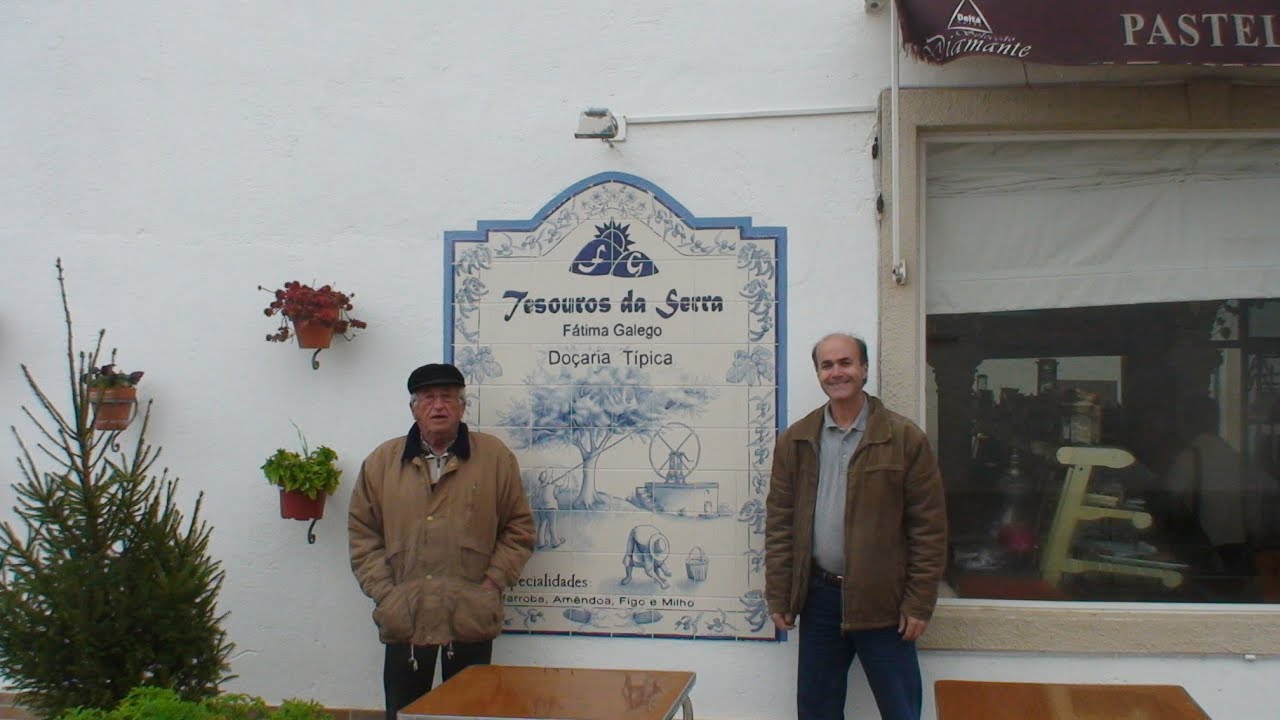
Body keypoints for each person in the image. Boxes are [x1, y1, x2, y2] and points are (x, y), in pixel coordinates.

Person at [765, 333, 947, 720]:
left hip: (885, 602)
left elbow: (928, 530)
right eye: (827, 365)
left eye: (845, 363)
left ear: (864, 369)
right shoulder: (796, 441)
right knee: (817, 711)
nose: (837, 373)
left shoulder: (903, 438)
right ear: (818, 373)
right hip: (820, 599)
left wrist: (918, 602)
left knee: (900, 710)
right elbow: (780, 524)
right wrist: (780, 594)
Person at [349, 363, 535, 720]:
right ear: (413, 408)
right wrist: (386, 593)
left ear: (462, 407)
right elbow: (362, 533)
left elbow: (519, 528)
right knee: (405, 713)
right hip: (405, 614)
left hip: (470, 612)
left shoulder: (495, 458)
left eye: (448, 398)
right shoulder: (382, 463)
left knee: (471, 713)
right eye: (428, 398)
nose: (438, 406)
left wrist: (491, 584)